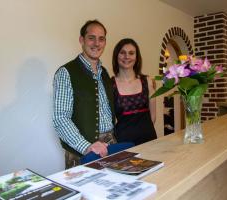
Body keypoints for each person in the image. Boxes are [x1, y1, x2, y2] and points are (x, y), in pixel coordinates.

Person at [53, 20, 116, 168]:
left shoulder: (105, 73)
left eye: (101, 39)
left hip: (110, 146)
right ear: (82, 40)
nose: (96, 43)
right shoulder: (66, 73)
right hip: (82, 151)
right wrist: (86, 146)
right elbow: (61, 118)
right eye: (91, 37)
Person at [112, 38, 157, 145]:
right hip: (123, 143)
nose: (127, 56)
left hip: (148, 139)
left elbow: (153, 117)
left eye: (131, 53)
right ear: (116, 56)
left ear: (136, 57)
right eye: (122, 53)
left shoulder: (148, 81)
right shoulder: (110, 85)